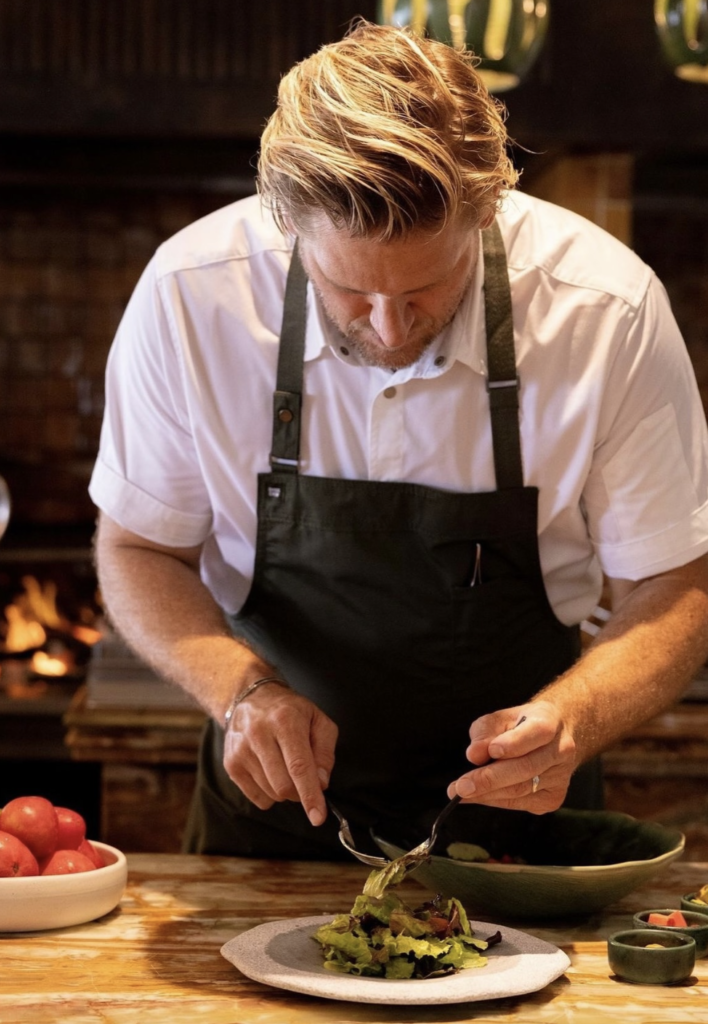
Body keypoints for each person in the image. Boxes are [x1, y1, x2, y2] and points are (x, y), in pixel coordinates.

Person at [89, 21, 708, 859]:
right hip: (270, 818)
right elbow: (137, 549)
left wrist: (576, 717)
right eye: (347, 287)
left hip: (520, 824)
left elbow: (676, 580)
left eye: (426, 286)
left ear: (488, 211)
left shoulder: (604, 310)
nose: (387, 326)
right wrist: (240, 694)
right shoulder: (188, 296)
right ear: (287, 223)